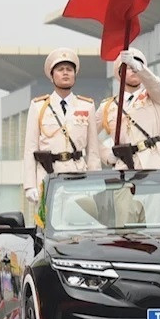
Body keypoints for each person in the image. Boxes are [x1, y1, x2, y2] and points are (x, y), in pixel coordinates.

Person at [24, 49, 98, 209]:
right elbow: (30, 149)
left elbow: (93, 151)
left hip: (78, 174)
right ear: (52, 76)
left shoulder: (87, 105)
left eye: (69, 70)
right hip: (48, 175)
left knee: (79, 224)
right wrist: (30, 185)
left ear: (75, 75)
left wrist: (95, 182)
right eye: (60, 69)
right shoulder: (38, 106)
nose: (65, 73)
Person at [97, 49, 160, 170]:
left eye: (135, 67)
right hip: (123, 166)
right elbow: (89, 134)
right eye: (128, 67)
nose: (133, 71)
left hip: (152, 164)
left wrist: (137, 66)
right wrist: (106, 156)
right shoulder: (108, 106)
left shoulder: (154, 96)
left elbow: (154, 84)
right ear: (119, 73)